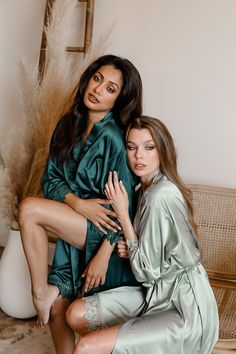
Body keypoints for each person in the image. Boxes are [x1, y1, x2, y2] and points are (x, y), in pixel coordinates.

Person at [19, 54, 142, 353]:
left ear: (119, 100)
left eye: (110, 88)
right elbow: (51, 180)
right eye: (97, 78)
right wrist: (78, 203)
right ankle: (48, 296)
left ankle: (39, 294)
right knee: (59, 310)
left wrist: (105, 251)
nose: (98, 89)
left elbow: (125, 203)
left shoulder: (113, 138)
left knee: (29, 209)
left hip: (105, 237)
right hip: (76, 226)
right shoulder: (68, 123)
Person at [66, 115, 219, 354]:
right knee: (76, 314)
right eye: (132, 147)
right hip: (155, 291)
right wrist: (137, 246)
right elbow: (153, 256)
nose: (139, 156)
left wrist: (124, 218)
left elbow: (146, 271)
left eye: (149, 148)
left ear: (163, 150)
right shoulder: (143, 188)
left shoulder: (160, 195)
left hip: (183, 305)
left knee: (86, 346)